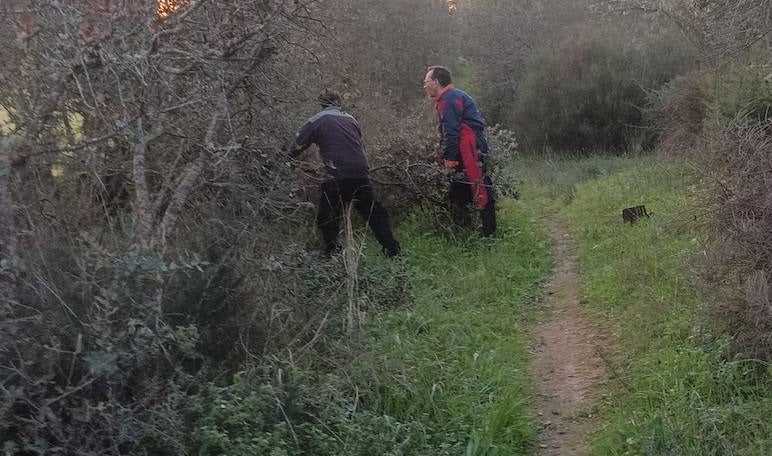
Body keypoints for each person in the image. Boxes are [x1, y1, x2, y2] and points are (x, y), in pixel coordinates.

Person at [287, 89, 401, 257]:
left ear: (321, 103)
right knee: (373, 213)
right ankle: (393, 250)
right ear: (339, 102)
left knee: (328, 217)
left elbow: (297, 144)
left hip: (336, 174)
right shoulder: (351, 119)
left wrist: (286, 160)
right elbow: (358, 145)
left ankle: (333, 253)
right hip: (360, 172)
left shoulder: (318, 119)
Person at [423, 65, 496, 236]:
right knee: (461, 188)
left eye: (426, 81)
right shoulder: (453, 97)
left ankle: (487, 233)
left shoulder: (448, 99)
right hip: (470, 147)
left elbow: (452, 131)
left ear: (436, 82)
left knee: (478, 186)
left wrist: (449, 157)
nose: (424, 86)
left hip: (468, 148)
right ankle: (466, 231)